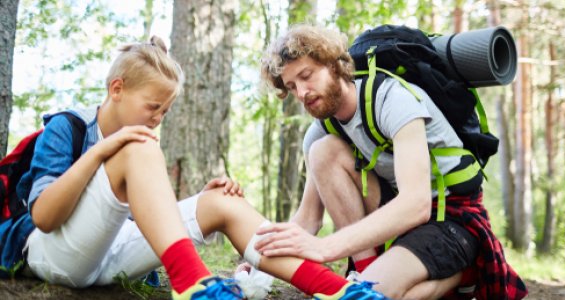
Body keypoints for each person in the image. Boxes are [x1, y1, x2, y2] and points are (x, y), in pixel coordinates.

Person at [1, 36, 389, 300]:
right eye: (153, 107)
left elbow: (130, 223)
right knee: (137, 149)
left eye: (165, 111)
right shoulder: (66, 127)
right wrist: (104, 151)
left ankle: (336, 289)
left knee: (220, 199)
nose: (157, 119)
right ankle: (192, 286)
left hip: (109, 255)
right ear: (116, 89)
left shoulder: (135, 143)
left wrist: (198, 204)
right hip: (52, 254)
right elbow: (45, 218)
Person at [255, 24, 528, 299]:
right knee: (322, 151)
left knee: (374, 296)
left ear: (333, 65)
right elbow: (308, 219)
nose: (301, 92)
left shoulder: (392, 99)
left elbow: (416, 205)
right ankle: (368, 272)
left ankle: (463, 272)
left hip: (451, 219)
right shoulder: (321, 130)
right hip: (398, 219)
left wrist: (327, 248)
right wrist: (261, 265)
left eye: (306, 76)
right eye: (292, 86)